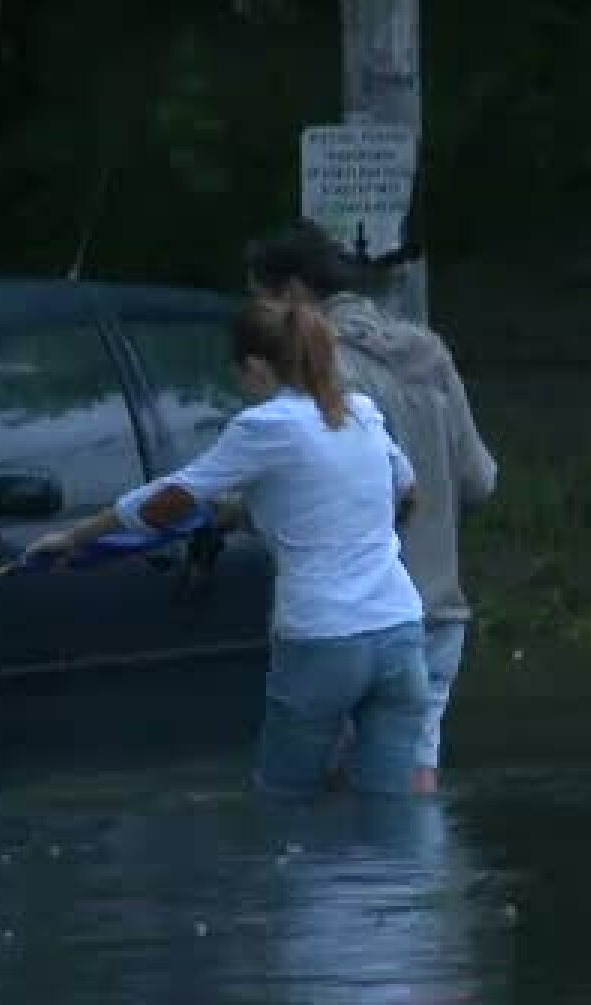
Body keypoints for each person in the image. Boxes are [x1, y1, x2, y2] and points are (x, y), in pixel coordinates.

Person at [22, 297, 431, 798]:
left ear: (256, 367)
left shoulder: (268, 424)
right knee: (389, 803)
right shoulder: (360, 414)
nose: (240, 385)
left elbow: (171, 499)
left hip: (323, 636)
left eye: (239, 374)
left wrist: (75, 536)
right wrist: (264, 517)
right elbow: (406, 496)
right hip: (400, 631)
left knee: (287, 797)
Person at [244, 220, 497, 793]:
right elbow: (479, 481)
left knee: (327, 786)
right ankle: (415, 854)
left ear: (293, 292)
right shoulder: (428, 351)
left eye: (260, 300)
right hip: (439, 609)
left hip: (352, 616)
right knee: (413, 775)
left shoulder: (315, 370)